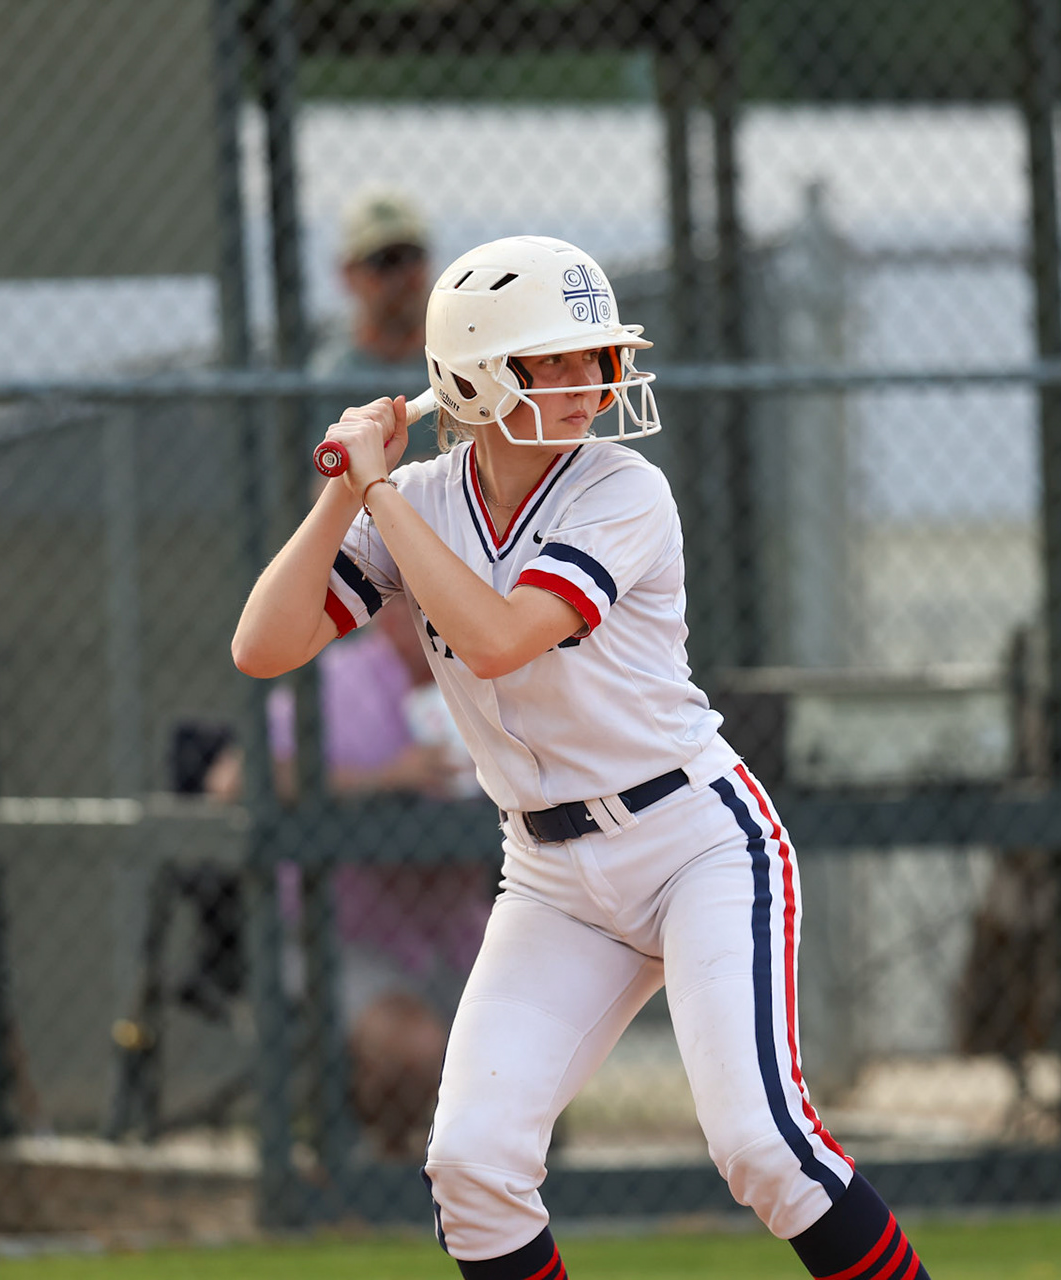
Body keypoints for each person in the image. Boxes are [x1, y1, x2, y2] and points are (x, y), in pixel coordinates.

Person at [233, 236, 931, 1280]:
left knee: (761, 1146)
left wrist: (381, 498)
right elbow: (263, 645)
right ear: (473, 375)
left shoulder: (623, 488)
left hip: (695, 839)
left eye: (592, 357)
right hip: (552, 872)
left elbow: (500, 635)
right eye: (550, 361)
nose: (586, 382)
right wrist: (346, 490)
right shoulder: (421, 498)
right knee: (471, 1163)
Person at [267, 610, 490, 1160]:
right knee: (412, 1047)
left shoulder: (495, 672)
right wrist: (384, 779)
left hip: (465, 935)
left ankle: (492, 1179)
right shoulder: (334, 680)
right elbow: (238, 778)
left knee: (538, 1031)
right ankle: (386, 1173)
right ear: (388, 614)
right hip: (346, 939)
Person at [312, 187, 438, 467]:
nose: (402, 275)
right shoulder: (332, 375)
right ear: (348, 273)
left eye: (412, 257)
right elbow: (321, 487)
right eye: (385, 260)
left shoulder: (457, 363)